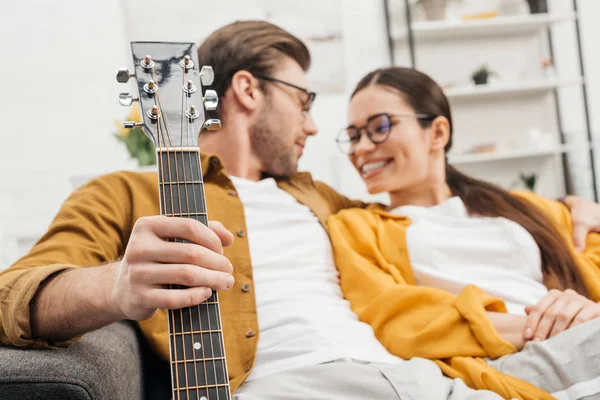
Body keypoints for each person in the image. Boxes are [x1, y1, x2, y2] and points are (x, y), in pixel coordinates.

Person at [0, 21, 596, 400]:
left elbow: (430, 215)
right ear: (247, 91)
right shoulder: (127, 194)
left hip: (414, 377)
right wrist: (117, 286)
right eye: (304, 100)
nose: (315, 124)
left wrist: (571, 208)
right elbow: (14, 294)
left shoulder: (316, 197)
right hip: (293, 386)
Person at [328, 66, 600, 400]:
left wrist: (581, 309)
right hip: (508, 357)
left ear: (437, 133)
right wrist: (545, 326)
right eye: (354, 136)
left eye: (379, 127)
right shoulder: (359, 227)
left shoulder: (520, 206)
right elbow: (395, 319)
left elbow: (590, 249)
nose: (362, 148)